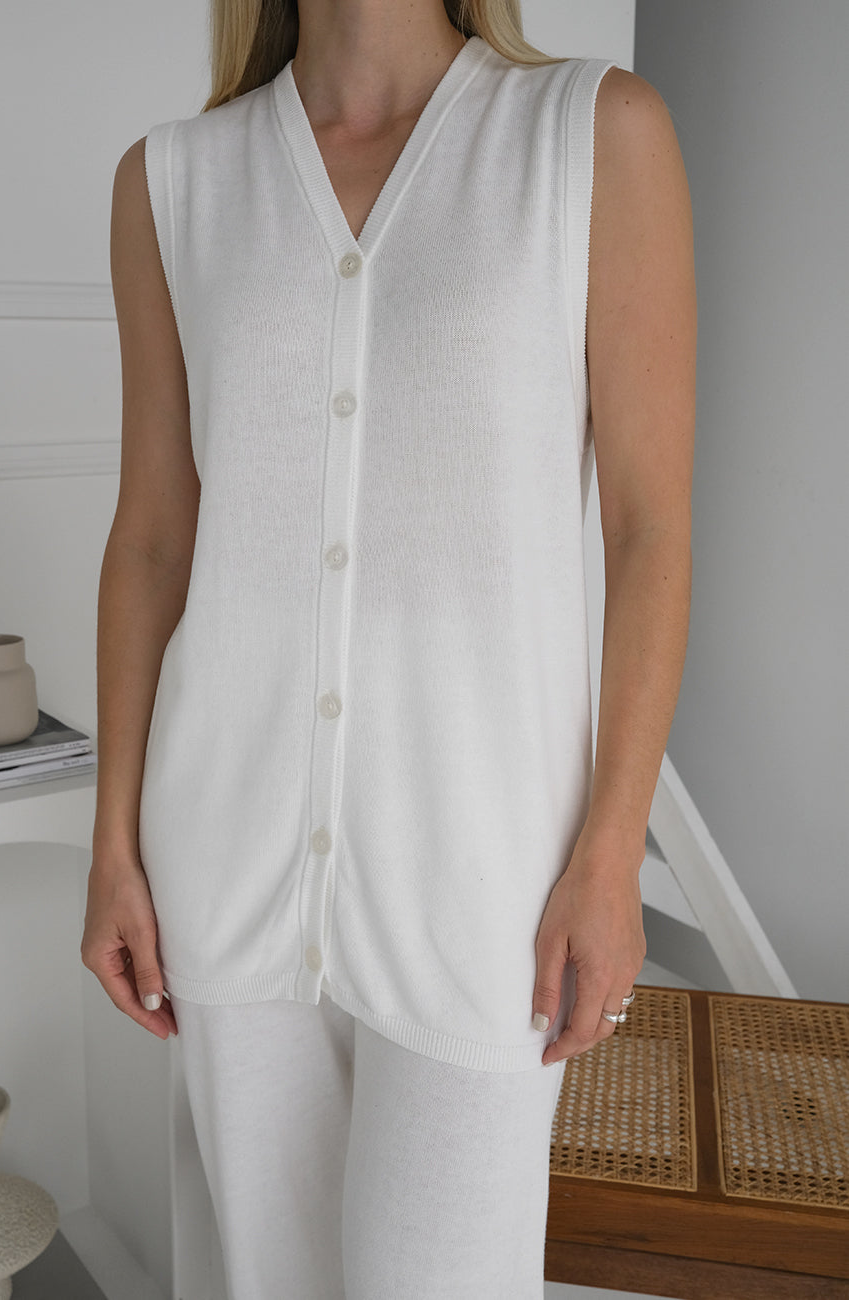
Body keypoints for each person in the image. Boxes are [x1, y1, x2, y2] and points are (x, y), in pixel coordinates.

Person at [81, 0, 695, 1295]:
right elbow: (151, 541)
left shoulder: (590, 136)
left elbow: (651, 531)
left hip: (489, 886)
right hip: (224, 862)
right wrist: (114, 846)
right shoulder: (173, 186)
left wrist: (611, 857)